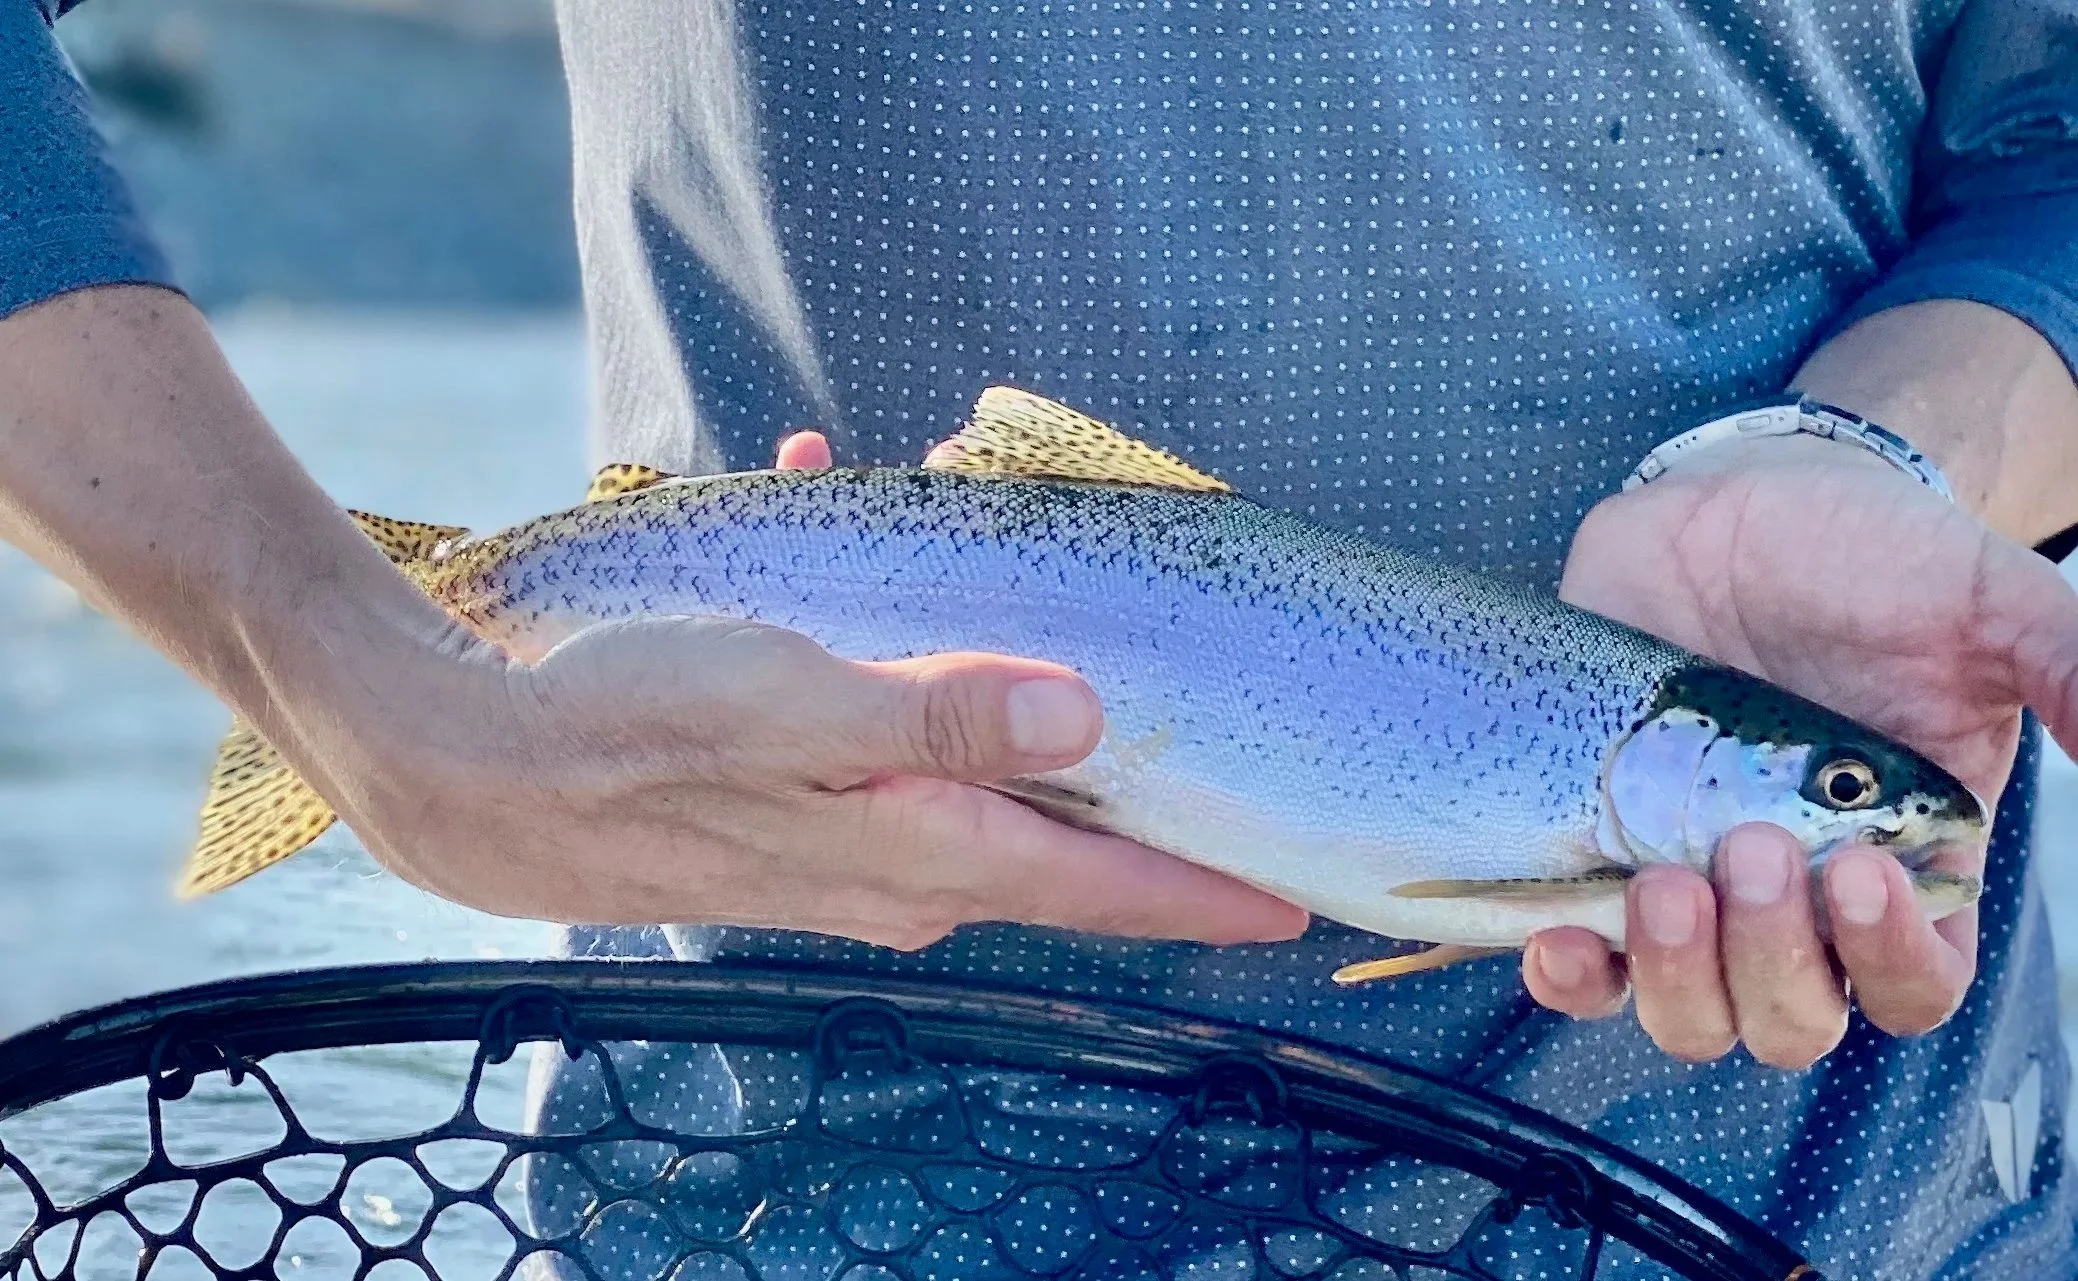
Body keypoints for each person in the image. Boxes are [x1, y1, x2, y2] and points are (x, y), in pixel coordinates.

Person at [3, 0, 2077, 1271]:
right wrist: (338, 668)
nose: (1867, 814)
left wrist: (1876, 446)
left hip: (1854, 1211)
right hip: (802, 1194)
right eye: (1837, 790)